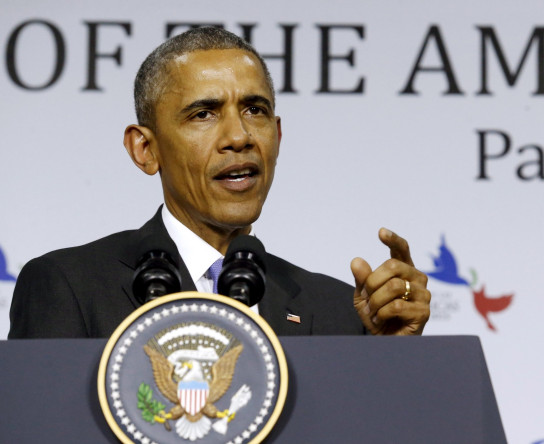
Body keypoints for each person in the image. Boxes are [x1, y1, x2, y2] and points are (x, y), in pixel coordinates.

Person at [8, 27, 430, 339]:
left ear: (278, 137)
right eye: (203, 114)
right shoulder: (68, 286)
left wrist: (392, 359)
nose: (239, 136)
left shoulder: (342, 312)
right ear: (145, 150)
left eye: (255, 110)